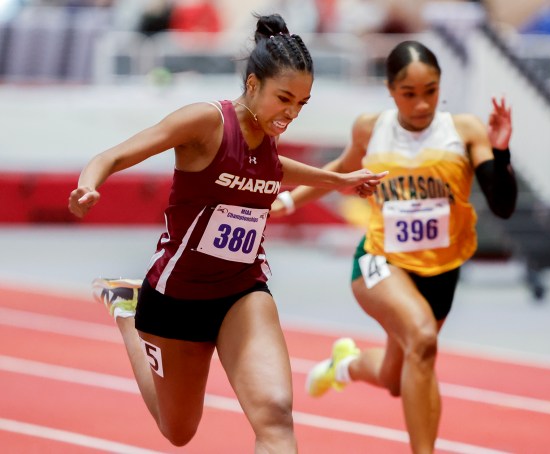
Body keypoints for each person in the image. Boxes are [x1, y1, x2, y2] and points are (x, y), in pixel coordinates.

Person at [67, 13, 386, 452]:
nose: (291, 113)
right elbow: (116, 155)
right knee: (177, 431)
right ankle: (127, 310)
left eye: (302, 103)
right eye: (284, 98)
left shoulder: (267, 140)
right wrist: (88, 184)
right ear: (252, 84)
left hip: (242, 291)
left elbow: (275, 170)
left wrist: (339, 181)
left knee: (275, 414)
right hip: (177, 297)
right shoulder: (206, 122)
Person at [271, 40, 517, 453]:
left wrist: (501, 148)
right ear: (390, 90)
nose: (421, 105)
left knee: (395, 376)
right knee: (422, 340)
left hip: (441, 271)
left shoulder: (466, 130)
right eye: (409, 94)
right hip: (380, 262)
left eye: (431, 92)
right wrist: (292, 198)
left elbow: (503, 206)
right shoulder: (373, 128)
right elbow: (341, 171)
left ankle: (344, 365)